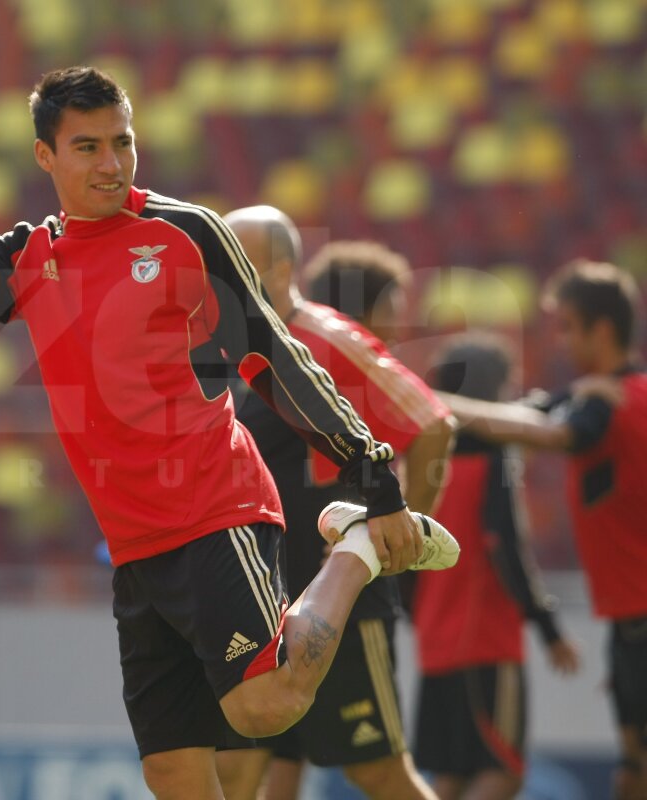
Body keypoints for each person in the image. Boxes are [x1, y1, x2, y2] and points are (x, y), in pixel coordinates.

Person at [0, 66, 459, 800]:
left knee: (266, 707)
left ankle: (354, 552)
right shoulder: (31, 256)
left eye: (122, 142)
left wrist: (373, 476)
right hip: (135, 543)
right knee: (176, 772)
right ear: (45, 156)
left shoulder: (185, 231)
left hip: (214, 511)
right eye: (88, 147)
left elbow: (277, 358)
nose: (112, 163)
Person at [225, 215, 456, 799]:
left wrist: (399, 541)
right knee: (246, 772)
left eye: (236, 261)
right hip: (265, 600)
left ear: (281, 270)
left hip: (341, 602)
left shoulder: (326, 338)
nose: (221, 275)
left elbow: (432, 424)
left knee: (377, 771)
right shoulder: (228, 346)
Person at [441, 259, 647, 800]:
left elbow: (553, 434)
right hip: (628, 622)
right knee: (632, 773)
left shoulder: (610, 402)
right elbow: (523, 418)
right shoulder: (596, 396)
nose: (560, 341)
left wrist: (433, 403)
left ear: (602, 330)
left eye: (569, 327)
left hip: (640, 620)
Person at [412, 333, 581, 800]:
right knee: (502, 770)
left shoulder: (425, 456)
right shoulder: (496, 459)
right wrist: (548, 628)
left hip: (435, 637)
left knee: (450, 776)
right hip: (484, 636)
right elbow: (505, 546)